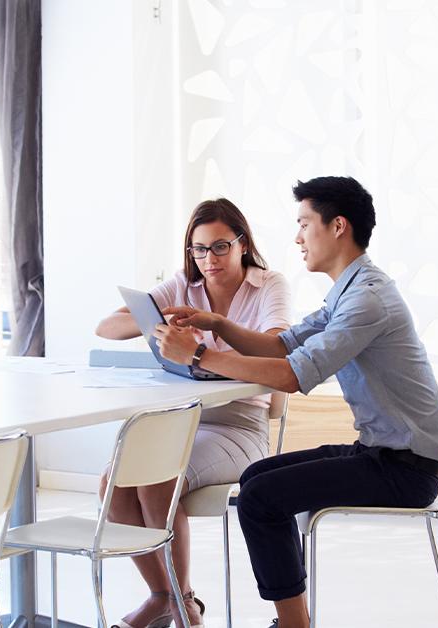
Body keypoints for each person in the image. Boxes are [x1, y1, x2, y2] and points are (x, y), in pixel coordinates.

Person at [154, 177, 438, 628]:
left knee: (260, 500)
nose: (296, 237)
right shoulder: (351, 290)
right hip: (385, 451)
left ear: (337, 227)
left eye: (304, 224)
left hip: (405, 468)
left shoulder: (366, 300)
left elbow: (292, 375)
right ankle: (295, 619)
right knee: (257, 477)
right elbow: (284, 344)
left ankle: (294, 624)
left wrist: (198, 354)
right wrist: (219, 323)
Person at [96, 197, 291, 628]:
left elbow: (278, 342)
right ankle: (163, 596)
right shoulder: (185, 285)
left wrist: (207, 335)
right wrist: (158, 318)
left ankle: (182, 605)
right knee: (114, 482)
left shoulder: (269, 284)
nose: (209, 259)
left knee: (156, 476)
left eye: (220, 247)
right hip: (185, 420)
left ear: (242, 244)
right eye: (199, 250)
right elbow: (106, 327)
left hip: (239, 425)